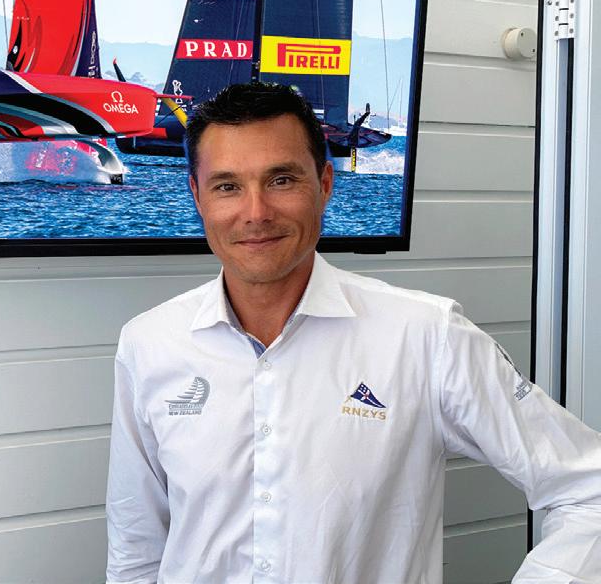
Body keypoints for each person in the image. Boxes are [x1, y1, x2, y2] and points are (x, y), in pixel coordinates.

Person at [105, 82, 601, 583]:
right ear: (197, 195)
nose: (255, 212)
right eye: (227, 186)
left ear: (325, 183)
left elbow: (589, 488)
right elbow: (136, 550)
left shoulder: (426, 336)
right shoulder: (150, 344)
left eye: (281, 180)